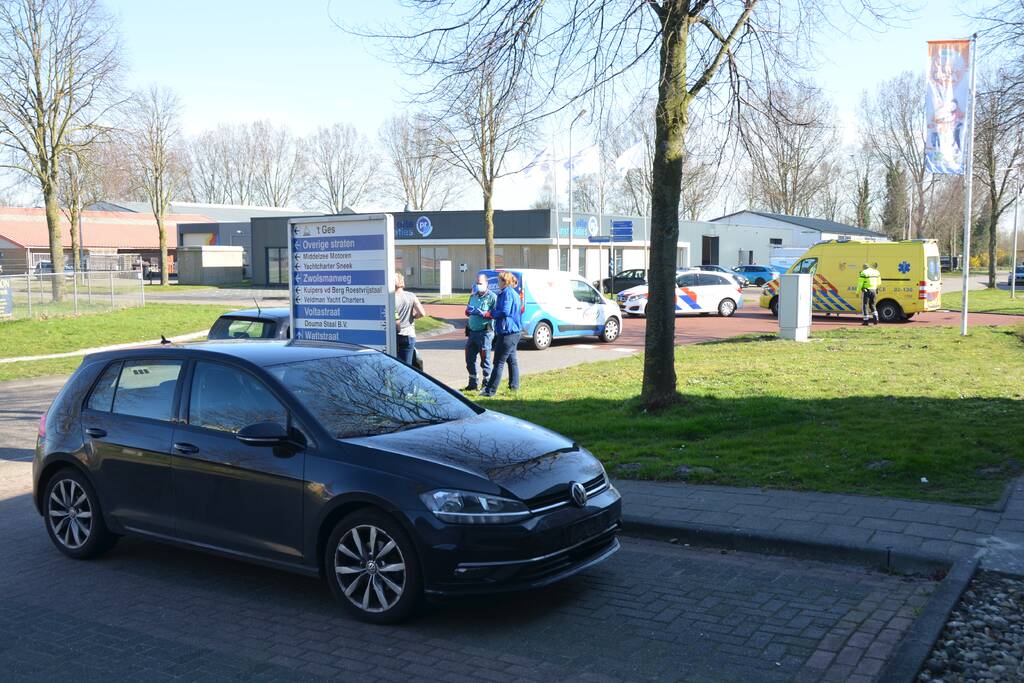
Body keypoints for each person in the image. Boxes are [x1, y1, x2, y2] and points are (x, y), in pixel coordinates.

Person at [479, 271, 522, 397]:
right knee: (512, 360)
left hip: (507, 332)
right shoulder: (511, 293)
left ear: (505, 282)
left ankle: (490, 390)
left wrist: (491, 314)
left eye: (499, 281)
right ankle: (514, 386)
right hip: (514, 331)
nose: (498, 283)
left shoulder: (507, 293)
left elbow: (505, 311)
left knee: (498, 362)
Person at [464, 273, 497, 391]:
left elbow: (496, 313)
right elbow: (467, 310)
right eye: (477, 283)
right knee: (469, 359)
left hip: (485, 333)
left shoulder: (492, 297)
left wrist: (486, 314)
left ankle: (486, 384)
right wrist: (469, 311)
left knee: (485, 360)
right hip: (472, 332)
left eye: (480, 283)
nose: (478, 285)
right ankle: (473, 383)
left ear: (486, 284)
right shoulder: (473, 296)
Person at [394, 272, 426, 365]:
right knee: (407, 366)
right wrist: (413, 316)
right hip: (408, 334)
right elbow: (422, 313)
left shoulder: (390, 298)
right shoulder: (411, 296)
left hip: (394, 335)